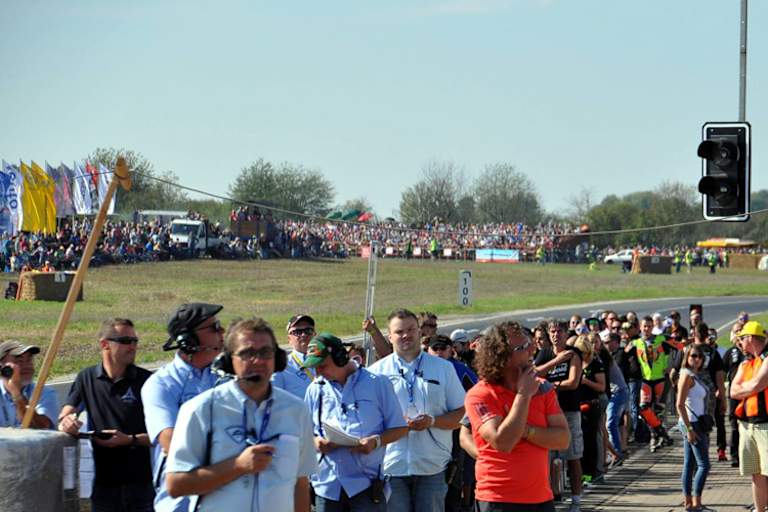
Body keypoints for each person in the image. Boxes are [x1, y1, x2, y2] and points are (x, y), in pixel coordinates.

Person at [165, 318, 316, 512]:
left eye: (265, 353)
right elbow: (176, 484)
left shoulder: (297, 410)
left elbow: (300, 483)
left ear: (277, 358)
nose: (258, 360)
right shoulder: (199, 410)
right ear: (228, 361)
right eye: (247, 353)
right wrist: (237, 466)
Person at [367, 309, 466, 512]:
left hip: (432, 466)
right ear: (390, 336)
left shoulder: (443, 368)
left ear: (420, 332)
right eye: (399, 331)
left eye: (411, 329)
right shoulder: (375, 373)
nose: (405, 335)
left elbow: (462, 414)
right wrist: (395, 426)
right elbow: (366, 422)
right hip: (391, 467)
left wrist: (432, 421)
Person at [465, 322, 569, 512]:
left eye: (529, 343)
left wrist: (526, 431)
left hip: (541, 498)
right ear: (501, 357)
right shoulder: (480, 395)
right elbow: (503, 442)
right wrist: (523, 395)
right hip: (498, 499)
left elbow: (562, 439)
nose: (532, 349)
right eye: (522, 347)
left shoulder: (543, 388)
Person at [302, 332, 408, 511]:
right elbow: (303, 433)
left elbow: (399, 428)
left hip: (366, 484)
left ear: (340, 359)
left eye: (322, 366)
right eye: (314, 367)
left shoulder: (378, 383)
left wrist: (376, 442)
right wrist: (316, 442)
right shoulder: (315, 389)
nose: (318, 372)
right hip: (327, 486)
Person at [58, 318, 154, 512]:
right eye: (126, 341)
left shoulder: (148, 381)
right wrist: (67, 423)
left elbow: (163, 435)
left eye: (135, 341)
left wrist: (129, 440)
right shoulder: (86, 378)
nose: (133, 346)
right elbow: (66, 414)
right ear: (105, 344)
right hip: (104, 486)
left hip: (142, 486)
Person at [141, 303, 225, 512]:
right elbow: (171, 443)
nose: (222, 332)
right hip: (181, 505)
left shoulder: (227, 377)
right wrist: (235, 461)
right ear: (188, 340)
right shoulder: (160, 384)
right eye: (214, 328)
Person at [535, 320, 584, 511]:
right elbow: (536, 373)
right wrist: (555, 362)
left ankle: (576, 499)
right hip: (547, 411)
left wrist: (551, 385)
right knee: (547, 457)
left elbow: (573, 382)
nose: (556, 335)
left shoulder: (574, 353)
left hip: (569, 410)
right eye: (553, 332)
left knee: (572, 455)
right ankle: (548, 496)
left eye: (560, 331)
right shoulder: (545, 354)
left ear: (566, 334)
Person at [730, 321, 768, 512]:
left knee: (767, 471)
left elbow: (757, 386)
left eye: (741, 338)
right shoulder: (746, 363)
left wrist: (747, 387)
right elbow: (732, 391)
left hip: (765, 426)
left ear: (751, 338)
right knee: (756, 473)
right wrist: (750, 386)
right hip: (747, 424)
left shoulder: (767, 358)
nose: (739, 343)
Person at [676, 344, 712, 512]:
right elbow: (679, 404)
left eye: (699, 356)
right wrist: (689, 430)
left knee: (689, 464)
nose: (696, 359)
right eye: (693, 356)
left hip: (693, 422)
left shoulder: (694, 375)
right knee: (704, 465)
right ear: (687, 358)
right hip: (691, 423)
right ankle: (696, 503)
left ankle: (689, 503)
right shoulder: (686, 376)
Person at [0, 340, 57, 429]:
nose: (27, 366)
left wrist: (18, 396)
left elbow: (43, 428)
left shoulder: (44, 393)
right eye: (19, 361)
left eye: (29, 360)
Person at [271, 314, 317, 398]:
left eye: (308, 330)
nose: (303, 335)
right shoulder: (281, 367)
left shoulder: (329, 361)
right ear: (289, 339)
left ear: (315, 334)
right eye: (297, 332)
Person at [724, 330, 747, 467]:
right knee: (734, 425)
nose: (740, 339)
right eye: (737, 335)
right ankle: (734, 456)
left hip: (749, 394)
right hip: (734, 394)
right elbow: (721, 371)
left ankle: (745, 454)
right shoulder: (731, 352)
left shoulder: (751, 353)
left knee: (746, 425)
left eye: (742, 336)